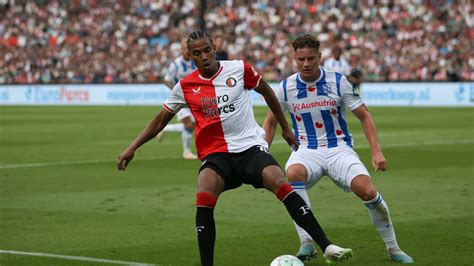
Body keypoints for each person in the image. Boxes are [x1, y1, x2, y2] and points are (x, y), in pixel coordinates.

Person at [117, 30, 352, 266]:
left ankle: (326, 246)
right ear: (190, 57)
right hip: (216, 155)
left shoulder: (239, 69)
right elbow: (160, 120)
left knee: (278, 179)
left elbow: (267, 92)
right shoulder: (185, 86)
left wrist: (285, 127)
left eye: (207, 50)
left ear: (214, 47)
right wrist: (133, 147)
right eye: (197, 53)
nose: (205, 56)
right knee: (204, 189)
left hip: (250, 148)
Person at [263, 34, 414, 264]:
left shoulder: (339, 81)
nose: (306, 64)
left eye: (311, 59)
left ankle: (393, 249)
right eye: (301, 59)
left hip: (339, 149)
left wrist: (376, 150)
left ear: (320, 57)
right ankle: (306, 243)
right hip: (306, 150)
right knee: (293, 175)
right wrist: (263, 152)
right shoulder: (286, 87)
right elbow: (271, 121)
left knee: (367, 191)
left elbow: (364, 115)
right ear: (294, 58)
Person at [158, 38, 198, 160]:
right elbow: (166, 79)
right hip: (181, 99)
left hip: (194, 97)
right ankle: (186, 152)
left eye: (188, 47)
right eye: (184, 48)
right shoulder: (175, 64)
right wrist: (176, 90)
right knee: (188, 124)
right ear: (181, 49)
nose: (186, 50)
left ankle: (166, 128)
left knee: (194, 125)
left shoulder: (195, 62)